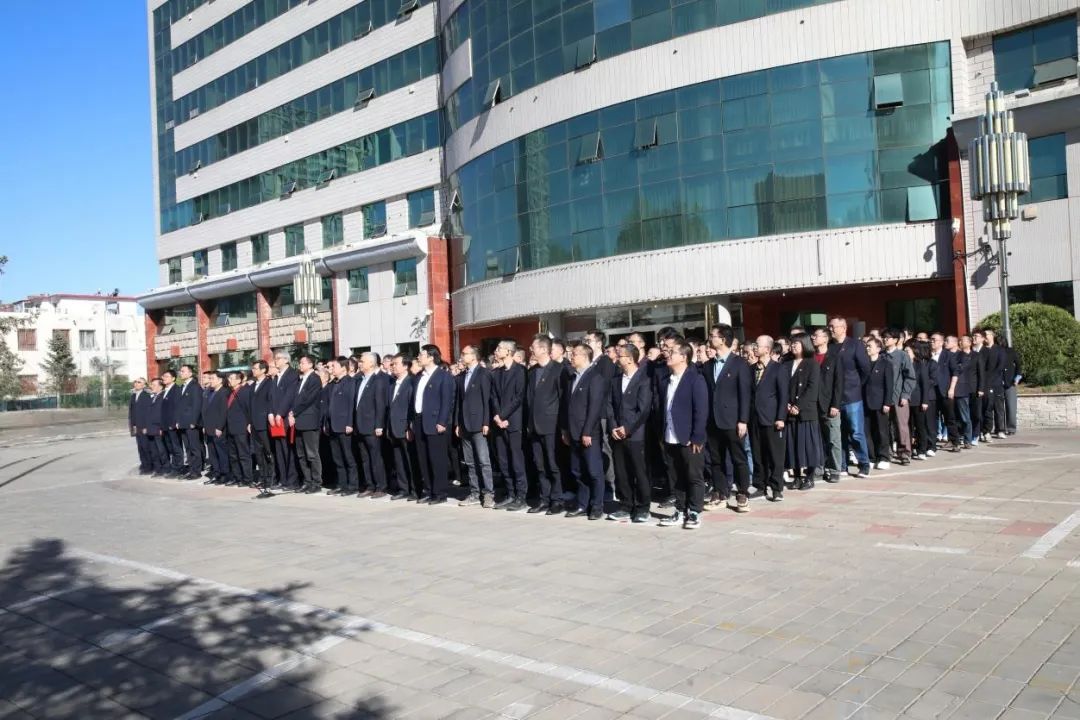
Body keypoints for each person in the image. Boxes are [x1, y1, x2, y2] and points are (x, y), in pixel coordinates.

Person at [658, 342, 709, 529]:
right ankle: (680, 510)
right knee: (676, 476)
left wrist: (697, 436)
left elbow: (701, 411)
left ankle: (694, 512)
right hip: (670, 436)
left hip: (689, 438)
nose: (668, 354)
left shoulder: (695, 379)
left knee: (694, 476)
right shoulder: (666, 380)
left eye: (673, 352)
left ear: (683, 357)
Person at [702, 324, 753, 512]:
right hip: (713, 420)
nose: (710, 338)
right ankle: (720, 493)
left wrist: (743, 420)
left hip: (733, 420)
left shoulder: (739, 364)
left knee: (738, 458)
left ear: (723, 339)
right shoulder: (708, 365)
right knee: (716, 460)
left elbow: (745, 394)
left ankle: (742, 493)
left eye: (712, 335)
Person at [607, 343, 653, 523]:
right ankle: (626, 505)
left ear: (630, 359)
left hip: (636, 434)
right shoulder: (616, 380)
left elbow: (643, 409)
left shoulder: (644, 379)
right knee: (622, 472)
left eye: (620, 356)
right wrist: (613, 426)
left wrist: (627, 428)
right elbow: (609, 405)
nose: (617, 358)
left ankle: (643, 507)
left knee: (639, 471)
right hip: (617, 434)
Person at [561, 343, 607, 520]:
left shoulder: (595, 377)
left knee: (594, 471)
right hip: (573, 432)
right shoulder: (572, 377)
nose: (571, 357)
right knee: (578, 471)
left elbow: (594, 408)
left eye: (574, 354)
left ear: (585, 356)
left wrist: (587, 431)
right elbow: (567, 406)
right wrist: (565, 430)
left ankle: (597, 506)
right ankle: (582, 504)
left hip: (588, 433)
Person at [526, 334, 565, 515]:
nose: (531, 350)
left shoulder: (559, 369)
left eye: (533, 347)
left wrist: (563, 427)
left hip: (551, 425)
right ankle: (544, 499)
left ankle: (557, 500)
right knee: (540, 465)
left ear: (543, 349)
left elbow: (563, 399)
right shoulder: (532, 371)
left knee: (553, 465)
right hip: (534, 425)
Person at [828, 317, 871, 478]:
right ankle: (842, 465)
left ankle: (864, 464)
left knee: (856, 432)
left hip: (852, 395)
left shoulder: (855, 345)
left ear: (844, 328)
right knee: (839, 433)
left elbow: (865, 369)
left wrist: (856, 385)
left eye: (833, 326)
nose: (830, 329)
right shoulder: (830, 347)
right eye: (829, 326)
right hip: (834, 397)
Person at [412, 344, 455, 505]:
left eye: (421, 354)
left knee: (437, 459)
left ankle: (440, 492)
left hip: (435, 422)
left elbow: (447, 400)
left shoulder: (443, 376)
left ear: (431, 357)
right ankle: (429, 490)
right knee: (423, 458)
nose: (418, 357)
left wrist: (442, 421)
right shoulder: (419, 376)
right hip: (419, 420)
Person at [750, 336, 789, 502]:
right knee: (758, 454)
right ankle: (760, 485)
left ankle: (776, 487)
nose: (754, 347)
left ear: (767, 349)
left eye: (757, 345)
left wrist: (781, 417)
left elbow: (783, 395)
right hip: (754, 419)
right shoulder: (751, 369)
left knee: (775, 455)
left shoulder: (778, 369)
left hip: (772, 419)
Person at [456, 345, 495, 508]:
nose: (461, 356)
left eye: (464, 353)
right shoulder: (462, 375)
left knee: (484, 461)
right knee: (470, 462)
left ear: (473, 356)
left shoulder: (483, 373)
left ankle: (488, 494)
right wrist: (458, 423)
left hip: (479, 423)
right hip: (465, 424)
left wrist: (486, 422)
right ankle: (474, 492)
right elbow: (459, 402)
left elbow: (487, 399)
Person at [491, 341, 528, 512]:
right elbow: (493, 396)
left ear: (509, 351)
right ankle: (510, 493)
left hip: (513, 421)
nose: (496, 351)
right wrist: (497, 416)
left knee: (516, 460)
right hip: (499, 423)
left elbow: (519, 397)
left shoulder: (520, 371)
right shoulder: (497, 372)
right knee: (504, 460)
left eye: (499, 348)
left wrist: (504, 415)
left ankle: (521, 496)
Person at [786, 333, 821, 490]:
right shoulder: (786, 363)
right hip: (788, 411)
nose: (793, 346)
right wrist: (787, 404)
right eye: (792, 343)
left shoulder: (812, 364)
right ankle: (797, 477)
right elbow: (782, 386)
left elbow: (812, 388)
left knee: (808, 445)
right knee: (793, 445)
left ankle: (809, 476)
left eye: (797, 343)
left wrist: (798, 406)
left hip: (806, 411)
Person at [354, 352, 390, 499]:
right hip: (360, 424)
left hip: (372, 425)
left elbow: (380, 404)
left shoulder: (378, 380)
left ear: (371, 363)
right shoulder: (360, 379)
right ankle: (370, 485)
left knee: (375, 457)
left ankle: (381, 486)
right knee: (365, 458)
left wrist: (379, 425)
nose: (360, 363)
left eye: (362, 361)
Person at [812, 327, 842, 483]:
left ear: (825, 338)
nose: (813, 338)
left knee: (833, 439)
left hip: (829, 404)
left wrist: (835, 404)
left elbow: (839, 383)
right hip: (812, 405)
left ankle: (835, 469)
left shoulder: (834, 357)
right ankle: (819, 468)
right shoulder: (810, 357)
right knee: (816, 439)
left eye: (816, 335)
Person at [324, 357, 358, 496]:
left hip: (344, 425)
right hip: (333, 425)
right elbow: (328, 406)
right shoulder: (333, 384)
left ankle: (352, 485)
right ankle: (341, 484)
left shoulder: (350, 382)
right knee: (337, 458)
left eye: (335, 367)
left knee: (348, 457)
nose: (332, 369)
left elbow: (351, 404)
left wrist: (350, 423)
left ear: (343, 368)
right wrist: (326, 424)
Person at [386, 354, 417, 501]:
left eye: (395, 364)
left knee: (410, 461)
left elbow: (411, 407)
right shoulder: (392, 384)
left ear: (405, 366)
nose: (392, 366)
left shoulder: (411, 382)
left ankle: (415, 489)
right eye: (391, 364)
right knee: (399, 461)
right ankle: (403, 488)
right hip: (393, 428)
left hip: (405, 428)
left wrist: (409, 427)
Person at [292, 355, 324, 493]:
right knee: (301, 454)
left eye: (303, 363)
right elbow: (295, 398)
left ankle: (316, 482)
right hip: (299, 420)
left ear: (311, 365)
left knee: (312, 453)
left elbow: (308, 399)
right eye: (300, 362)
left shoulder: (314, 379)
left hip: (309, 420)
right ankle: (307, 481)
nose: (300, 365)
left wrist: (294, 412)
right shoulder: (301, 379)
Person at [883, 329, 915, 465]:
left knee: (901, 426)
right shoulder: (881, 355)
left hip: (899, 396)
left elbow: (910, 377)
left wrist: (905, 395)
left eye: (888, 338)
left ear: (896, 340)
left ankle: (904, 452)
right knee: (885, 426)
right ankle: (888, 451)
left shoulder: (902, 355)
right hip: (883, 397)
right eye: (884, 337)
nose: (885, 340)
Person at [862, 337, 894, 469]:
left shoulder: (886, 363)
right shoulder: (863, 363)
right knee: (867, 431)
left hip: (880, 402)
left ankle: (884, 457)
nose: (867, 348)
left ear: (878, 349)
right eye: (866, 346)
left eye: (870, 346)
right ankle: (872, 456)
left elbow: (889, 385)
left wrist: (887, 403)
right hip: (864, 401)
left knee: (882, 431)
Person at [270, 351, 299, 490]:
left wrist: (280, 413)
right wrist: (271, 413)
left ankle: (292, 481)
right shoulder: (276, 376)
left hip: (286, 417)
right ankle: (283, 479)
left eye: (278, 358)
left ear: (286, 360)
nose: (275, 361)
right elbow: (272, 397)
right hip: (275, 419)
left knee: (288, 450)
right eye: (275, 358)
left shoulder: (292, 375)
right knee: (279, 450)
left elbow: (289, 396)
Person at [930, 332, 961, 452]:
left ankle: (955, 441)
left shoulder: (948, 355)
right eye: (931, 340)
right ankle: (932, 442)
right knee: (932, 418)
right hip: (931, 391)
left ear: (941, 342)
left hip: (945, 390)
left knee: (949, 417)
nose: (932, 342)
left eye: (934, 340)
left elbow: (955, 372)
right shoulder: (928, 355)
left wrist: (952, 388)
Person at [248, 360, 276, 489]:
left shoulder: (270, 383)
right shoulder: (253, 385)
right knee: (258, 453)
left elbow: (270, 402)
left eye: (255, 368)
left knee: (268, 452)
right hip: (254, 423)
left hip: (265, 423)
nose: (253, 370)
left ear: (263, 370)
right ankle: (263, 477)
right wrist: (249, 422)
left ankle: (271, 478)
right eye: (253, 368)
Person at [175, 364, 205, 480]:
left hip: (191, 423)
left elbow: (197, 405)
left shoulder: (195, 386)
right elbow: (180, 407)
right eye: (180, 371)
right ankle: (192, 469)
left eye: (183, 371)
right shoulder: (182, 386)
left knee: (194, 448)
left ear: (190, 373)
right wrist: (178, 421)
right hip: (183, 422)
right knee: (187, 448)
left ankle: (197, 471)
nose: (180, 373)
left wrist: (194, 421)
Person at [224, 371, 253, 487]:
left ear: (239, 380)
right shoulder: (230, 392)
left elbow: (248, 408)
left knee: (243, 454)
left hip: (241, 427)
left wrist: (249, 423)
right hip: (230, 427)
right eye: (229, 378)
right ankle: (238, 477)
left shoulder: (245, 391)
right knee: (233, 455)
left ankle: (247, 478)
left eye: (232, 378)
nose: (229, 380)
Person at [908, 340, 935, 460]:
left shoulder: (920, 365)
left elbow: (925, 384)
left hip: (918, 400)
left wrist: (925, 401)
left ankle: (922, 449)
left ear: (914, 351)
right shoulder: (905, 364)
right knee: (909, 426)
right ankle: (911, 447)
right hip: (906, 400)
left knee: (920, 426)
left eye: (908, 351)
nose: (906, 353)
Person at [201, 372, 229, 484]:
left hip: (218, 428)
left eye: (212, 378)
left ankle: (224, 474)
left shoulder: (224, 392)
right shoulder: (210, 392)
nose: (210, 380)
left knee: (221, 453)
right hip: (209, 427)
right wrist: (205, 425)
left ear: (220, 380)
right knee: (212, 453)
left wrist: (219, 427)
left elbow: (223, 412)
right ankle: (216, 473)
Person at [981, 329, 1007, 439]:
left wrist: (992, 379)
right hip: (985, 384)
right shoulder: (982, 350)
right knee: (987, 408)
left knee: (999, 408)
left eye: (986, 335)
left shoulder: (1000, 350)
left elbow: (1001, 366)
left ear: (992, 336)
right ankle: (986, 430)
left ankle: (1000, 430)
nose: (984, 337)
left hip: (996, 383)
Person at [142, 378, 169, 476]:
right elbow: (148, 414)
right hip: (150, 428)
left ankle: (166, 468)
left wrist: (161, 428)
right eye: (151, 385)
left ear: (160, 387)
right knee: (154, 450)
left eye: (154, 385)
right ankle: (158, 469)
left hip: (158, 428)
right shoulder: (152, 397)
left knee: (162, 450)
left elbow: (162, 414)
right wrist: (146, 426)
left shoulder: (163, 397)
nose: (151, 387)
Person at [159, 370, 182, 476]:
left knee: (176, 447)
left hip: (172, 424)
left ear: (173, 378)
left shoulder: (176, 389)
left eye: (167, 376)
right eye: (163, 376)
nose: (164, 378)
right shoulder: (165, 390)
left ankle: (178, 468)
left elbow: (177, 407)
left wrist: (176, 421)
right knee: (170, 447)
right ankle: (173, 467)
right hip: (165, 424)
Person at [954, 335, 974, 449]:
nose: (960, 342)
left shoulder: (966, 356)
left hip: (961, 389)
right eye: (959, 341)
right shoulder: (954, 355)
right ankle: (956, 439)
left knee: (965, 416)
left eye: (962, 341)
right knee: (954, 417)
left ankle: (968, 439)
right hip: (951, 389)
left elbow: (959, 369)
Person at [129, 378, 152, 474]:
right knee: (140, 447)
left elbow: (148, 413)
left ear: (144, 385)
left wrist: (146, 426)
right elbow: (132, 412)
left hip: (144, 426)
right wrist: (133, 425)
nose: (136, 383)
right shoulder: (133, 396)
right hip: (136, 426)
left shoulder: (146, 396)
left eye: (139, 382)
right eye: (135, 382)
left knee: (146, 446)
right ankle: (144, 464)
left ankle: (149, 466)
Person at [1001, 337, 1021, 435]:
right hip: (998, 383)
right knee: (999, 409)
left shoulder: (1011, 352)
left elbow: (1018, 366)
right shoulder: (994, 352)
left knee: (1011, 407)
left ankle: (1011, 428)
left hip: (1010, 382)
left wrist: (1017, 378)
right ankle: (1000, 428)